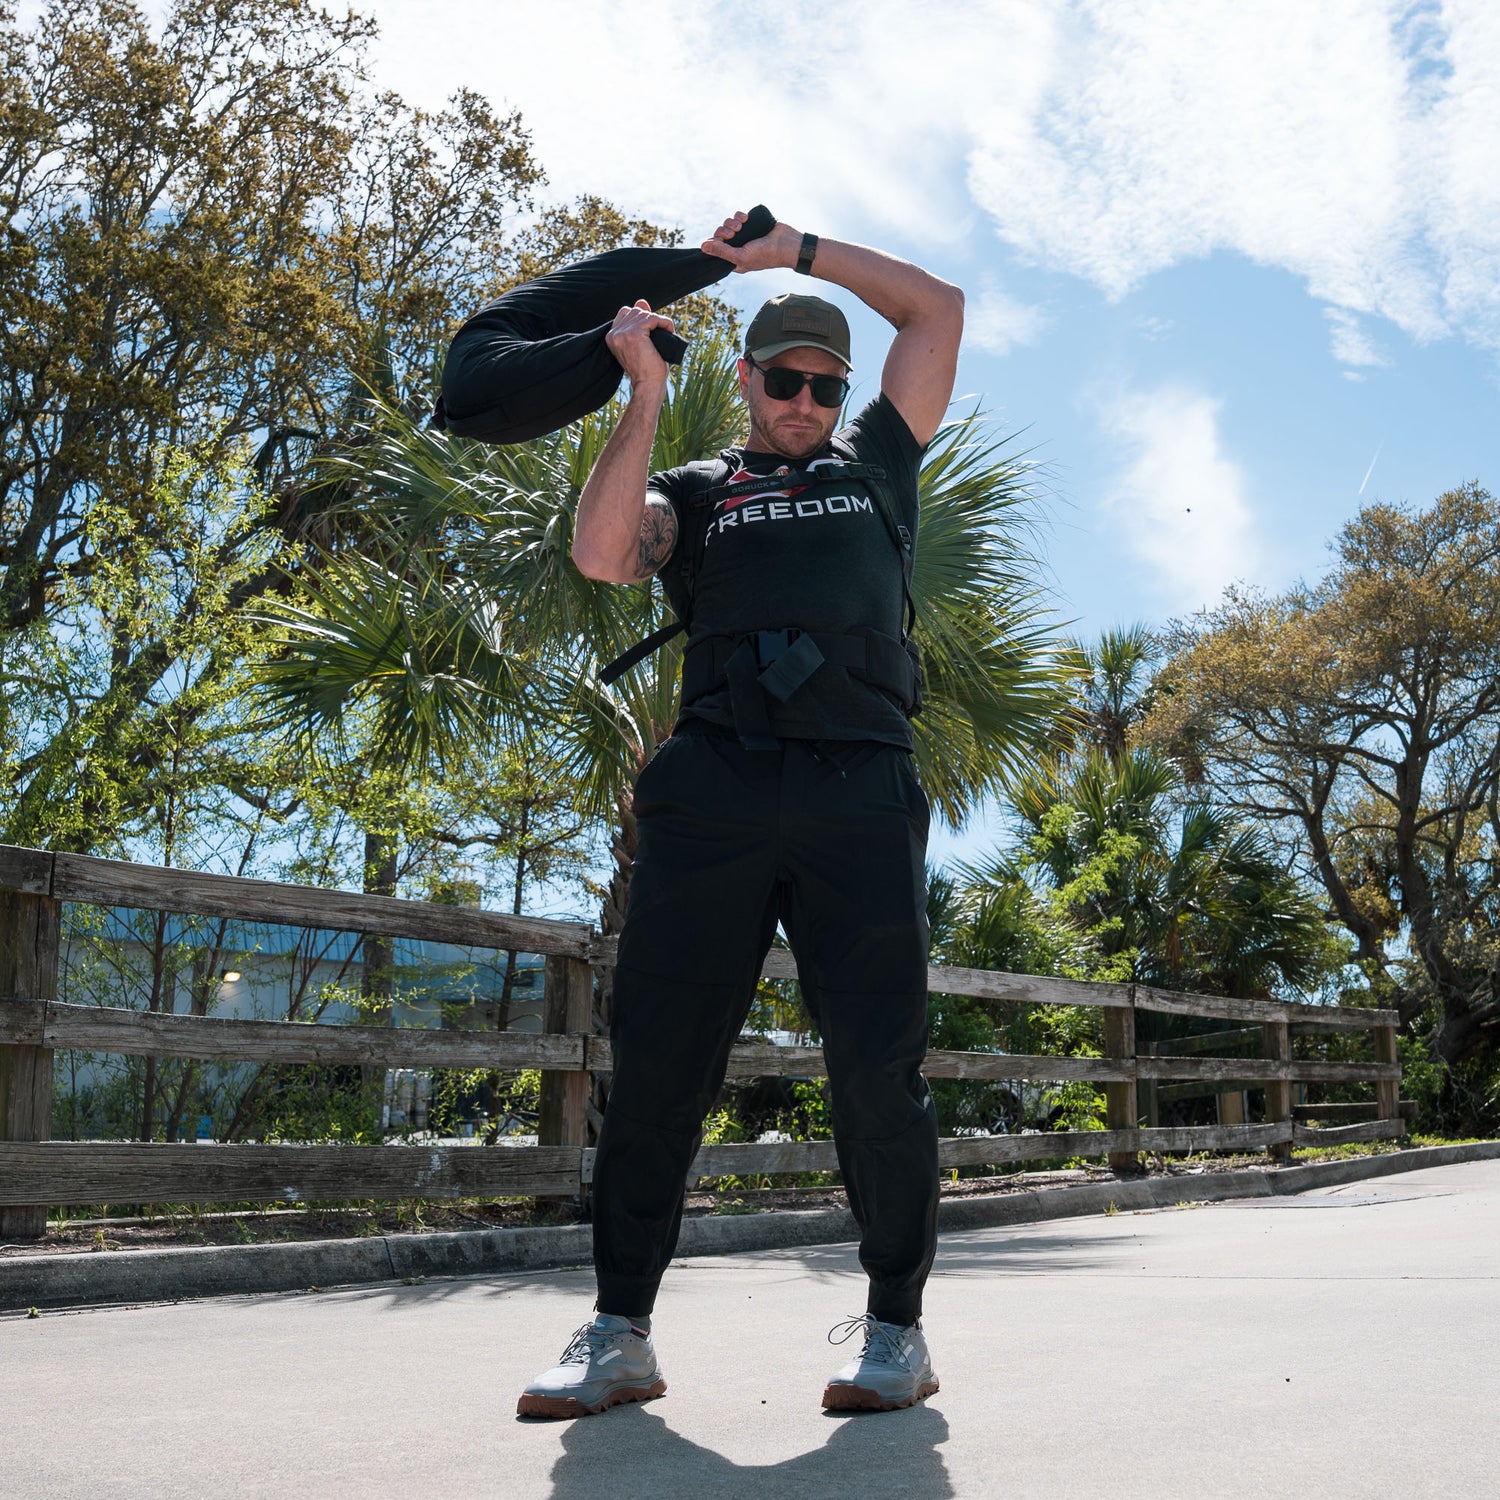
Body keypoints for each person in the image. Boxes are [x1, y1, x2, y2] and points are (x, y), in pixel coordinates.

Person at [517, 209, 964, 1419]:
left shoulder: (877, 457)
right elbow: (607, 556)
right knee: (661, 1060)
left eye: (826, 382)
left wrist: (794, 254)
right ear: (749, 378)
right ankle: (620, 1334)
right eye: (787, 378)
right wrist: (641, 395)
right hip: (712, 787)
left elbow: (938, 310)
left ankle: (895, 1333)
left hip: (857, 787)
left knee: (878, 1063)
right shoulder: (695, 489)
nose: (809, 398)